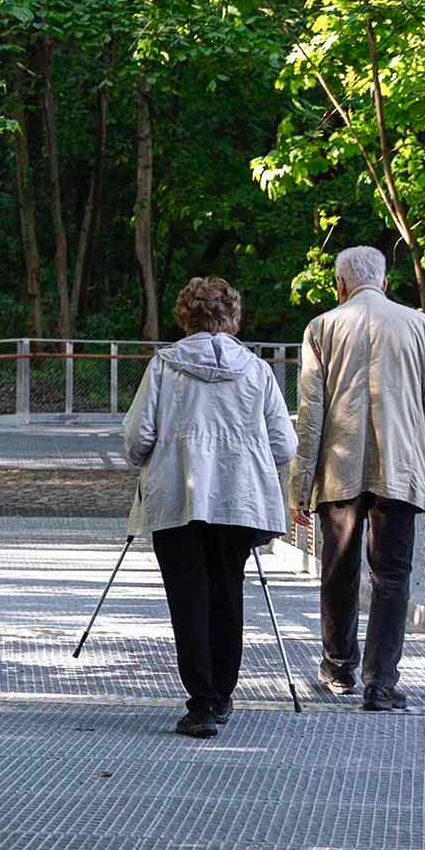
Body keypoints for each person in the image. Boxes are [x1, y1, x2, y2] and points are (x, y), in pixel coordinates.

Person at [124, 275, 299, 738]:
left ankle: (200, 702)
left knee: (189, 598)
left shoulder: (164, 366)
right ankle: (223, 694)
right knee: (228, 592)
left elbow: (138, 437)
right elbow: (284, 443)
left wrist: (152, 456)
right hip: (238, 498)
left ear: (185, 317)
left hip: (178, 497)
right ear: (232, 317)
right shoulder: (257, 370)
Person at [289, 245, 425, 712]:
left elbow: (310, 416)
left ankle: (338, 665)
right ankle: (380, 683)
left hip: (339, 470)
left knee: (338, 570)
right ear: (385, 283)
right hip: (401, 470)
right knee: (391, 576)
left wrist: (300, 485)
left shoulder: (321, 328)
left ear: (340, 285)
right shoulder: (421, 327)